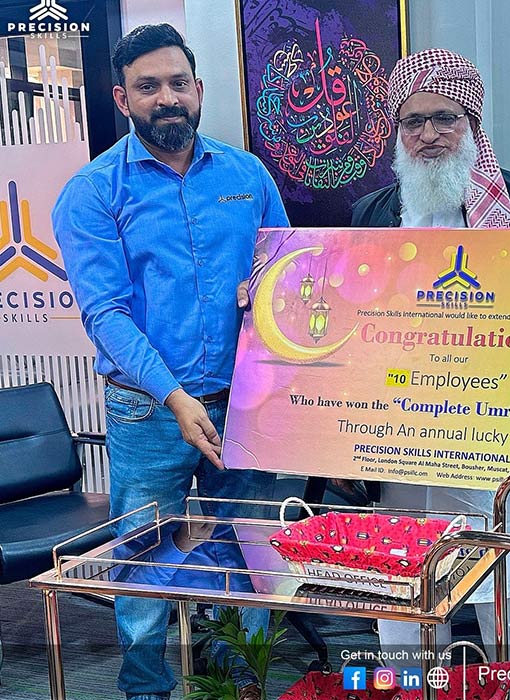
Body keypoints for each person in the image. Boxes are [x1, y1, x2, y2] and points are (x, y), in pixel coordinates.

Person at [51, 24, 289, 700]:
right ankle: (146, 687)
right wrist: (175, 397)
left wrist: (267, 287)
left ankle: (241, 682)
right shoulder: (93, 191)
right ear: (122, 98)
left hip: (245, 404)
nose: (168, 98)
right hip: (148, 411)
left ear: (198, 89)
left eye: (178, 83)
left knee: (248, 553)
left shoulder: (247, 174)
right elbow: (107, 315)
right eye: (149, 86)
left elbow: (288, 266)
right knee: (146, 559)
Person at [355, 47, 510, 700]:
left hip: (505, 441)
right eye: (413, 121)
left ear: (472, 123)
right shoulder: (372, 213)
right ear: (397, 129)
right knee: (406, 587)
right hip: (405, 444)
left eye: (445, 118)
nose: (428, 135)